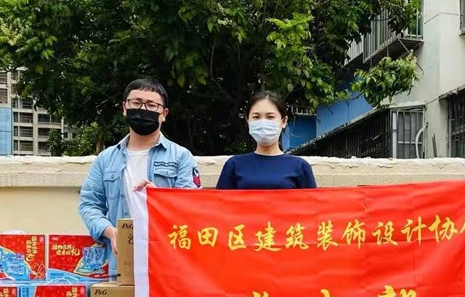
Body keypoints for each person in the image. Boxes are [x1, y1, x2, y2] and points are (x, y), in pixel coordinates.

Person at [79, 78, 200, 275]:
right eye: (136, 103)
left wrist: (159, 199)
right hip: (120, 262)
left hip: (167, 263)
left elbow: (192, 206)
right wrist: (112, 233)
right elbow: (89, 204)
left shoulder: (181, 157)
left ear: (164, 114)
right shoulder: (105, 159)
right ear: (124, 108)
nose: (143, 109)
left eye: (151, 105)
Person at [216, 91, 317, 190]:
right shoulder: (234, 165)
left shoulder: (300, 167)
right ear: (248, 121)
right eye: (256, 117)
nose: (263, 122)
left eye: (270, 117)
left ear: (284, 121)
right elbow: (220, 200)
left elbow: (311, 200)